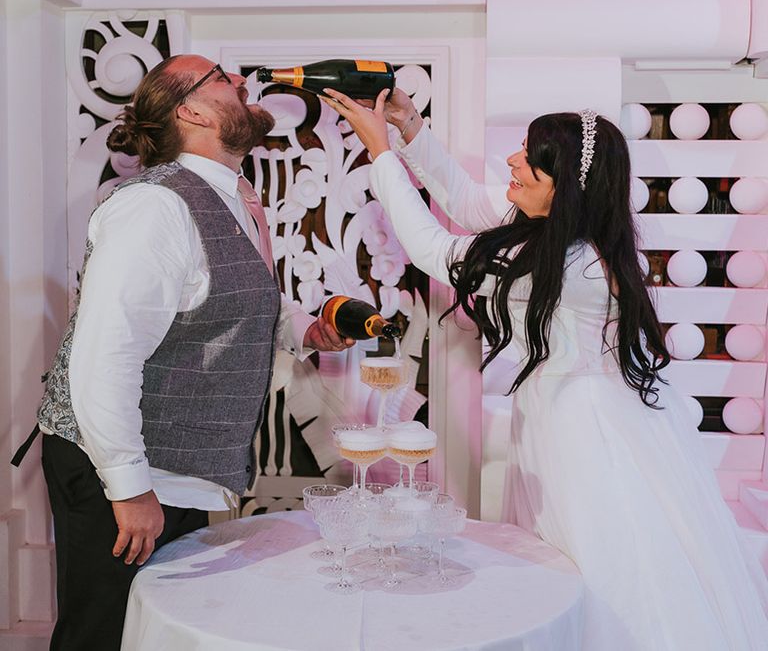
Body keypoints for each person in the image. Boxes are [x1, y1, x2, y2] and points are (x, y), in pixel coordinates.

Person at [321, 87, 768, 650]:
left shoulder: (567, 264)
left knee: (592, 570)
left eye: (528, 156)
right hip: (574, 415)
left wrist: (380, 153)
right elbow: (464, 201)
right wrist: (411, 132)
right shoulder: (565, 236)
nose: (512, 160)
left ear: (564, 189)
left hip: (583, 436)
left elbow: (432, 248)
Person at [26, 55, 352, 651]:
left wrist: (304, 328)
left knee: (156, 632)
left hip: (175, 467)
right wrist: (128, 487)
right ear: (192, 109)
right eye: (225, 79)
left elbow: (221, 297)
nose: (244, 84)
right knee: (102, 636)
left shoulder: (233, 197)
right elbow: (104, 358)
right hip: (115, 466)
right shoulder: (153, 208)